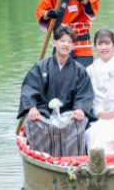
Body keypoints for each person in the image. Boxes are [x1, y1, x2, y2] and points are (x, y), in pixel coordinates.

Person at [17, 25, 97, 156]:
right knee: (32, 120)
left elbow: (84, 94)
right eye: (63, 41)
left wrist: (81, 109)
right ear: (54, 43)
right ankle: (41, 157)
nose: (66, 45)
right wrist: (31, 108)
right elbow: (29, 88)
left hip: (70, 113)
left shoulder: (79, 70)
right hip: (45, 113)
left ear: (73, 46)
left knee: (80, 121)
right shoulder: (40, 67)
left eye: (70, 42)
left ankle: (73, 159)